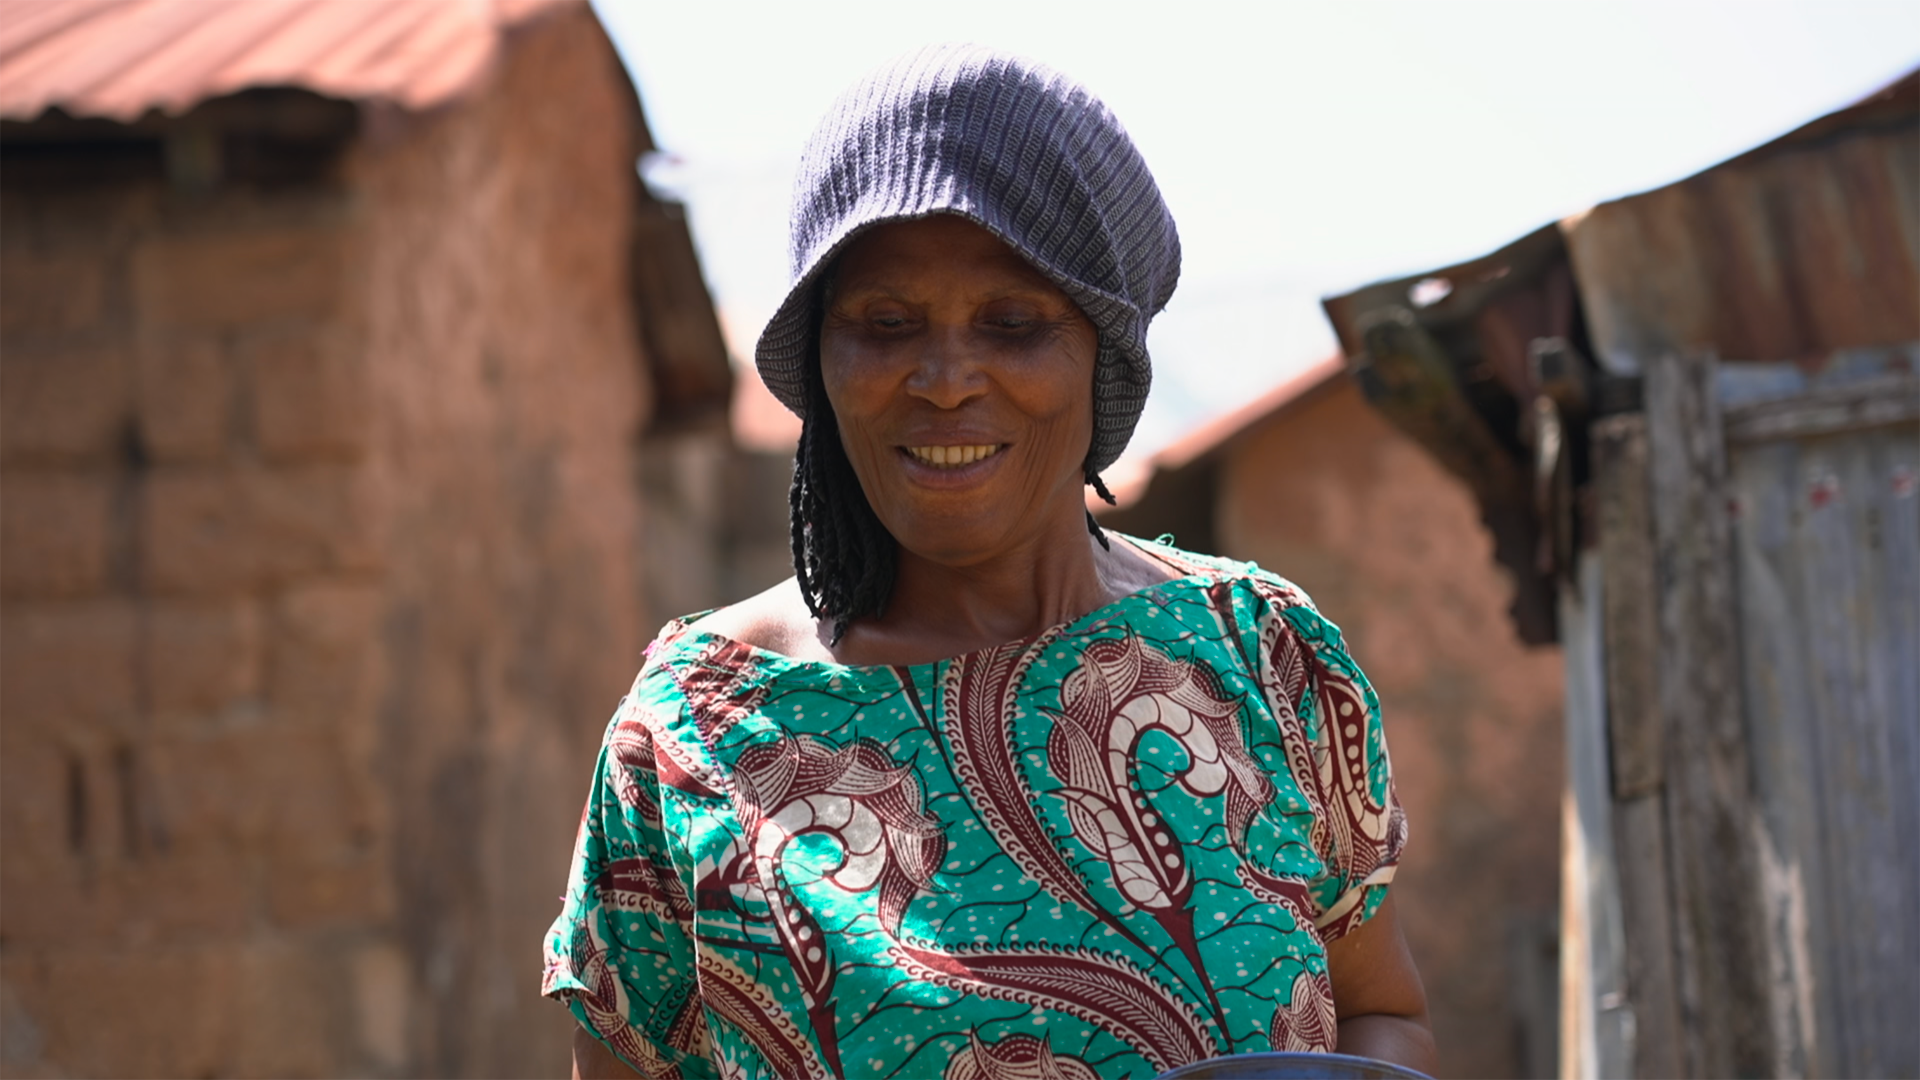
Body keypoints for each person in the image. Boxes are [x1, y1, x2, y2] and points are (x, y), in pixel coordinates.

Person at [543, 44, 1434, 1080]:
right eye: (886, 324)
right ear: (820, 359)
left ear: (1105, 357)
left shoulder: (1264, 653)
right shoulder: (690, 732)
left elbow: (1384, 1016)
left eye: (1012, 324)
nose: (945, 378)